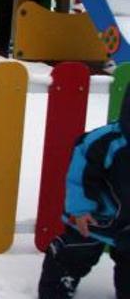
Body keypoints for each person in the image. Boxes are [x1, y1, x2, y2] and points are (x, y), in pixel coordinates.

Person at [38, 91, 130, 298]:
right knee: (76, 252)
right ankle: (58, 286)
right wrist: (81, 209)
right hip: (95, 215)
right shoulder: (108, 142)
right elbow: (80, 176)